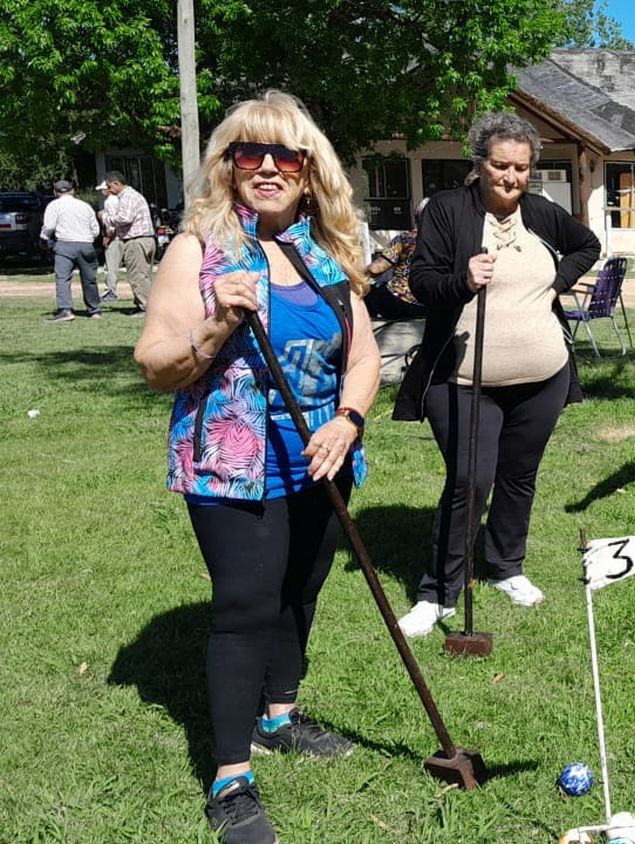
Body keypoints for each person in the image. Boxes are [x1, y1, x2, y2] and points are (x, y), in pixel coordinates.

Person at [133, 91, 379, 844]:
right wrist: (217, 322)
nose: (267, 167)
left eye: (285, 155)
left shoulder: (326, 252)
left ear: (309, 172)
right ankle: (231, 777)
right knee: (246, 604)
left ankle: (281, 715)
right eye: (250, 152)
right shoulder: (197, 249)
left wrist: (348, 419)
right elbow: (155, 363)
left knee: (301, 590)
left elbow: (364, 356)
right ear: (229, 164)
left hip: (320, 456)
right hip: (231, 464)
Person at [392, 112, 600, 637]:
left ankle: (507, 565)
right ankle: (437, 591)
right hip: (463, 377)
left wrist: (558, 282)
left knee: (517, 476)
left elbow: (587, 246)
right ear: (479, 163)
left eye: (522, 168)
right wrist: (462, 279)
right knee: (470, 479)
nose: (511, 177)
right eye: (501, 165)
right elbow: (420, 280)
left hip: (542, 375)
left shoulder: (541, 212)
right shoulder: (446, 210)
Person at [40, 179, 102, 321]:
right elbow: (95, 229)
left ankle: (66, 309)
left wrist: (43, 239)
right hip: (86, 244)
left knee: (63, 277)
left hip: (65, 244)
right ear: (73, 191)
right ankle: (94, 310)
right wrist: (88, 238)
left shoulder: (54, 205)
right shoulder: (85, 206)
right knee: (89, 278)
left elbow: (49, 226)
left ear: (55, 192)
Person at [364, 197, 429, 319]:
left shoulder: (406, 238)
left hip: (400, 301)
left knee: (369, 291)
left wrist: (358, 274)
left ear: (416, 218)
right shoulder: (446, 243)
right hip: (429, 305)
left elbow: (377, 269)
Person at [102, 169, 155, 314]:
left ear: (117, 183)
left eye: (109, 186)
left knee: (137, 275)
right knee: (144, 275)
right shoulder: (131, 196)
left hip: (136, 240)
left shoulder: (128, 196)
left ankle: (145, 307)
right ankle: (143, 304)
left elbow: (125, 218)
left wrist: (105, 217)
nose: (109, 190)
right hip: (145, 239)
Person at [97, 181, 123, 302]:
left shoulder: (110, 201)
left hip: (114, 237)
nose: (101, 192)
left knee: (111, 266)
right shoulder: (116, 200)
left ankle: (111, 291)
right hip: (118, 236)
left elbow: (113, 222)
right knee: (111, 265)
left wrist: (108, 237)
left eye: (103, 189)